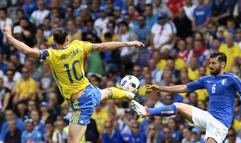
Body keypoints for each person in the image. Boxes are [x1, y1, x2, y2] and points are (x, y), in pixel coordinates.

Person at [3, 25, 144, 143]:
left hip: (82, 102)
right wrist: (127, 43)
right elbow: (102, 46)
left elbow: (27, 51)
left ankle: (127, 94)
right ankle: (128, 93)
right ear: (67, 38)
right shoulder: (78, 45)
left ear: (54, 41)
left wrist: (9, 36)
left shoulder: (52, 55)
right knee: (106, 93)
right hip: (89, 90)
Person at [131, 52, 241, 143]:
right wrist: (161, 88)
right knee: (178, 106)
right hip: (208, 117)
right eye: (209, 62)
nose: (210, 65)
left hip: (220, 123)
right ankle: (147, 112)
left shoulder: (232, 79)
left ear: (222, 64)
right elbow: (184, 87)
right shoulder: (206, 80)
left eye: (213, 63)